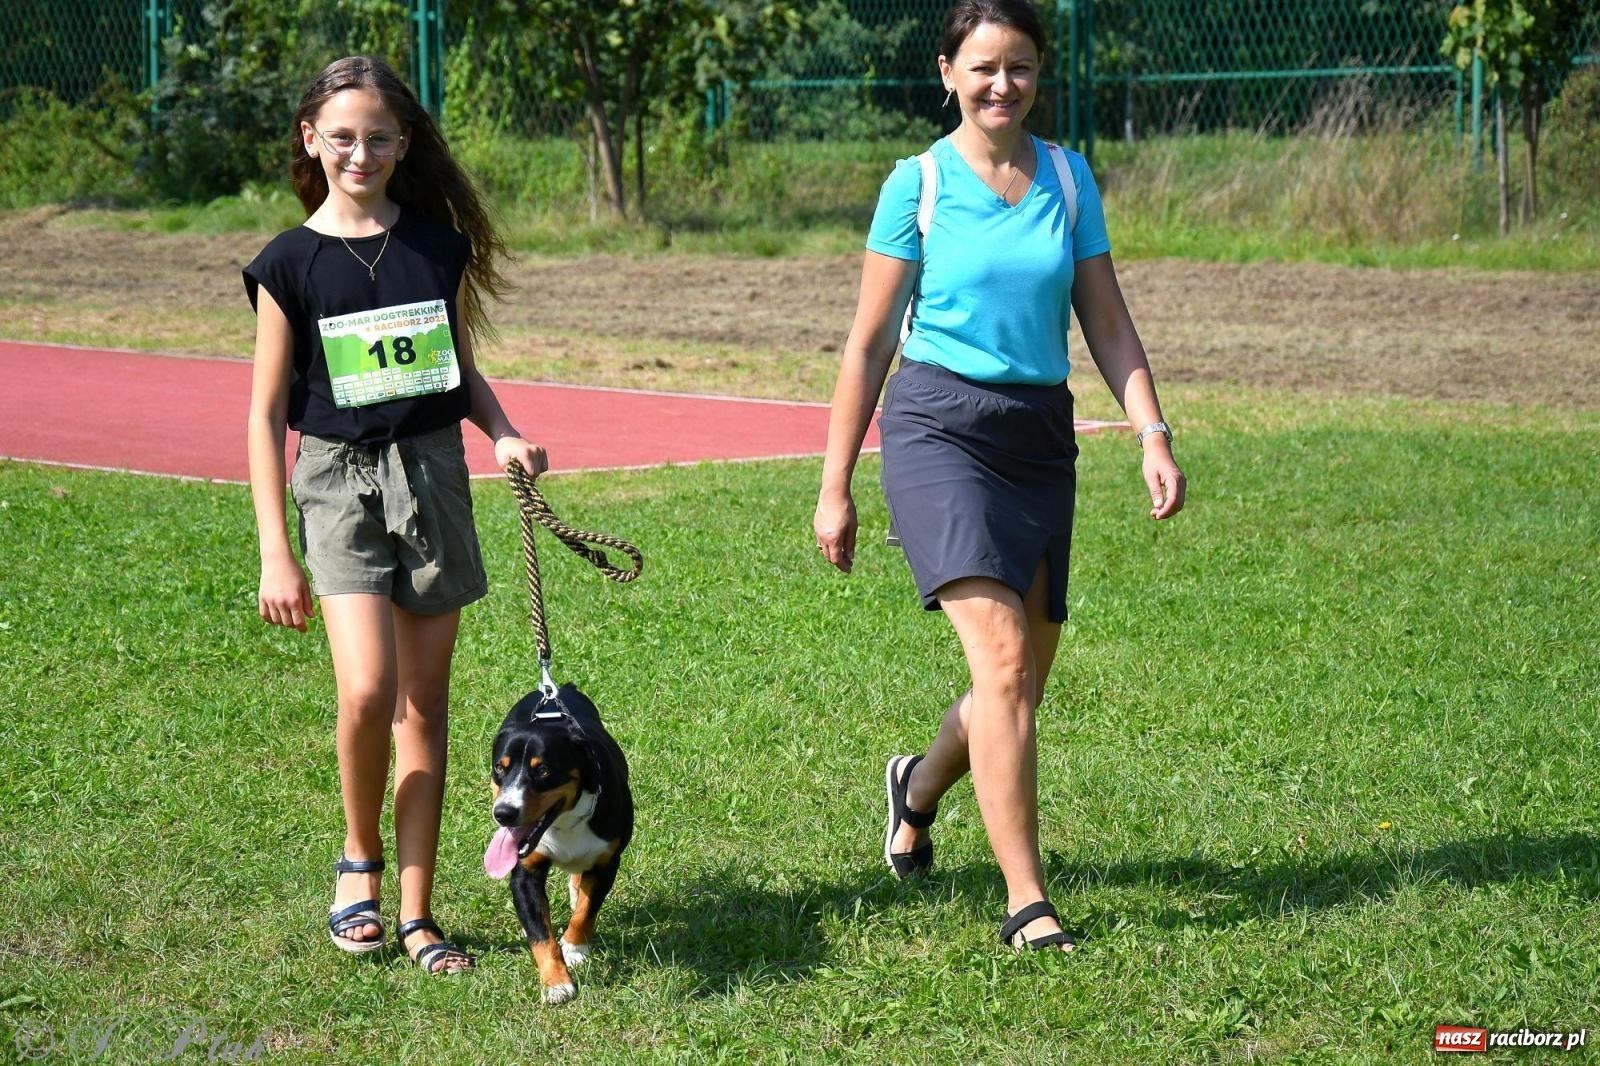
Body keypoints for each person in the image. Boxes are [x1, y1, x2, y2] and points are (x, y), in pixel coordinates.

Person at [813, 0, 1186, 954]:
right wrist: (836, 482)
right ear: (947, 73)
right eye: (982, 67)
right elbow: (865, 346)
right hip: (938, 426)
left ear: (1038, 77)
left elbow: (1105, 318)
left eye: (1019, 67)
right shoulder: (917, 184)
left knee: (1016, 685)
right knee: (1006, 663)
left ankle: (917, 786)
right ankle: (1028, 900)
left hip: (1037, 438)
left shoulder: (1068, 174)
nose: (1001, 84)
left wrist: (1151, 430)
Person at [244, 55, 545, 975]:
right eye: (341, 136)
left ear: (403, 143)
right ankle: (358, 865)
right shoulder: (287, 264)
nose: (360, 152)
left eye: (378, 137)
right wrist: (274, 553)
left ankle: (417, 912)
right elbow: (262, 416)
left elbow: (456, 369)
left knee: (425, 702)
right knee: (367, 689)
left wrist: (504, 433)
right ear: (311, 141)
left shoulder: (435, 248)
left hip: (433, 476)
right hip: (336, 484)